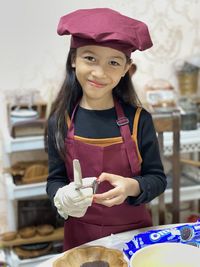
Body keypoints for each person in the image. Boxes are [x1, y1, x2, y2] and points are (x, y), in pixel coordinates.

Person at [46, 8, 167, 251]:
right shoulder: (60, 121)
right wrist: (62, 196)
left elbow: (158, 179)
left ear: (126, 69)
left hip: (133, 236)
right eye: (90, 58)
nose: (99, 73)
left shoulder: (139, 120)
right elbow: (55, 179)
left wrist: (133, 186)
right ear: (73, 59)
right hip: (81, 238)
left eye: (113, 62)